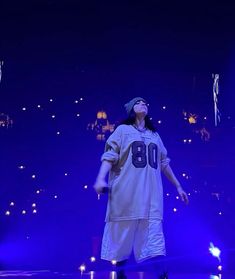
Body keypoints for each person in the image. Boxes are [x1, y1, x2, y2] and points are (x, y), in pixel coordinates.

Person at [93, 97, 189, 279]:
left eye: (145, 102)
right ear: (131, 109)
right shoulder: (122, 131)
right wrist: (100, 179)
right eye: (138, 102)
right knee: (121, 244)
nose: (143, 103)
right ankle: (120, 276)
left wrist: (178, 186)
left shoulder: (154, 135)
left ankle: (162, 276)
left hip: (151, 197)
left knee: (155, 243)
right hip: (125, 196)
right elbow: (109, 155)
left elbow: (163, 162)